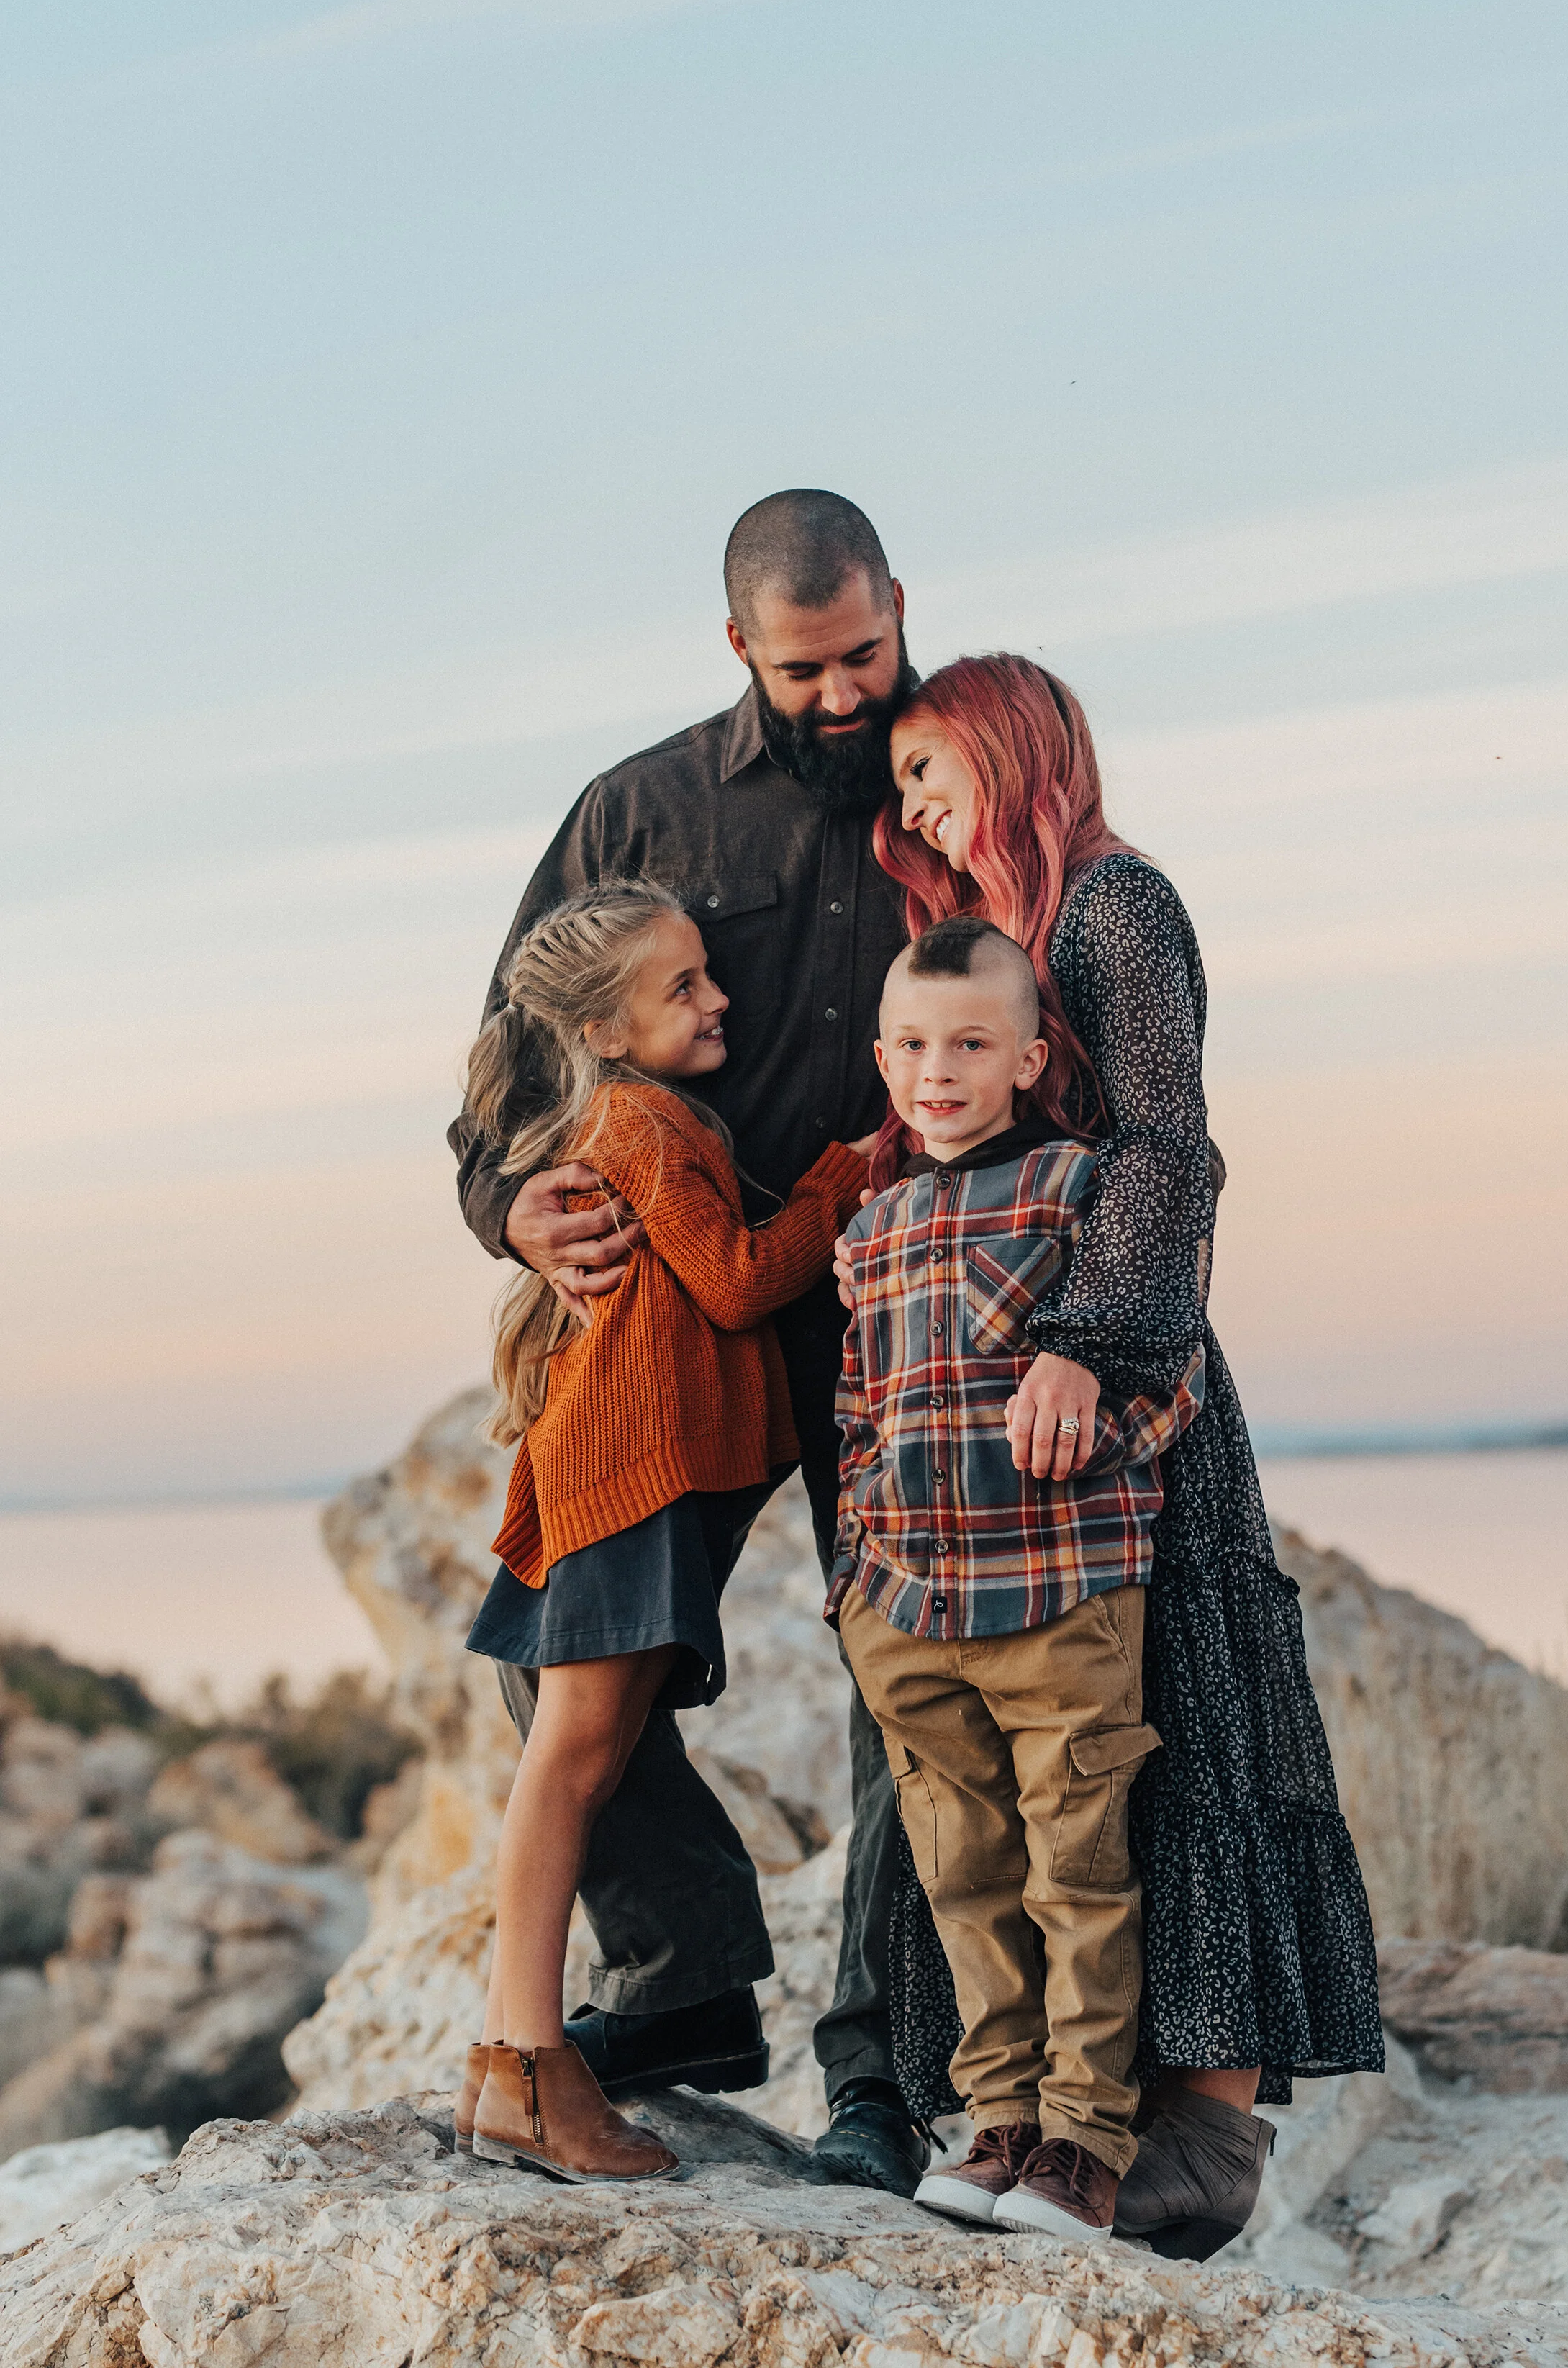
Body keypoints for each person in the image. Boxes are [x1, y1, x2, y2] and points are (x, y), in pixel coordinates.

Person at [846, 651, 1384, 2254]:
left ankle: (1199, 2145)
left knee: (1178, 1748)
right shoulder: (1017, 933)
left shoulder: (1113, 905)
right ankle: (1048, 2121)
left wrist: (1093, 1341)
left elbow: (1169, 1145)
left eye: (930, 768)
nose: (913, 807)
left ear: (1010, 746)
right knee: (1048, 1807)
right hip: (1018, 1419)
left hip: (1117, 1377)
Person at [449, 489, 929, 2192]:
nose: (844, 694)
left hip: (899, 1317)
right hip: (690, 1323)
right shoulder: (636, 812)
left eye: (865, 652)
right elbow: (508, 1067)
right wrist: (511, 1206)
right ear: (740, 645)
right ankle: (684, 1983)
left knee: (910, 1679)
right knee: (562, 1677)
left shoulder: (956, 782)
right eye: (805, 669)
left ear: (900, 605)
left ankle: (885, 2081)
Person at [453, 880, 873, 2182]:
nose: (719, 999)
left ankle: (543, 2058)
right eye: (683, 986)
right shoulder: (639, 1121)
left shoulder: (648, 1112)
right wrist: (845, 1178)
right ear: (606, 1029)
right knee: (575, 1760)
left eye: (709, 973)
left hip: (633, 1473)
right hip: (626, 1475)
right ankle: (522, 2068)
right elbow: (739, 1280)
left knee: (594, 1751)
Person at [830, 918, 1209, 2245]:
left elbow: (1171, 1372)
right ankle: (998, 2123)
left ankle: (1085, 2141)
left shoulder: (1078, 1189)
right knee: (965, 1877)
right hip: (910, 1612)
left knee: (1079, 1871)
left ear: (1030, 1059)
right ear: (886, 1060)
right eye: (916, 1045)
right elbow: (857, 1419)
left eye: (972, 1044)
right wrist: (855, 1586)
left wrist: (1092, 1451)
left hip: (1061, 1595)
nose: (940, 1070)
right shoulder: (867, 1231)